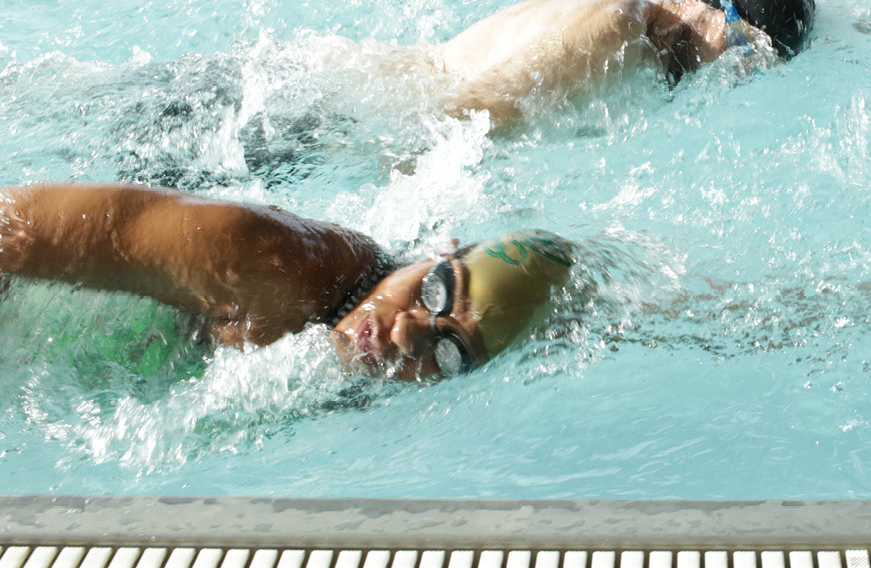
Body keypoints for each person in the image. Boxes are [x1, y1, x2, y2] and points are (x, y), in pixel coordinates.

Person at [0, 181, 573, 382]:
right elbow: (18, 226)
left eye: (450, 354)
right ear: (437, 253)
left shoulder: (343, 370)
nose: (406, 335)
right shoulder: (270, 264)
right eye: (433, 293)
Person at [433, 0, 814, 129]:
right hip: (409, 96)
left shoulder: (650, 67)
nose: (742, 73)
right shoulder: (618, 26)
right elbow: (454, 117)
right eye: (743, 47)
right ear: (712, 6)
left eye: (761, 66)